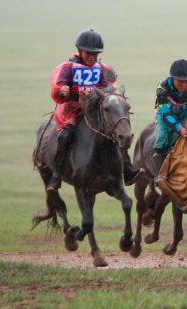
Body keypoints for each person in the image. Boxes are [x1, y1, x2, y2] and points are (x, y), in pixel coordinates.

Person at [47, 28, 138, 191]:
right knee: (65, 135)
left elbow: (112, 88)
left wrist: (110, 97)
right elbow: (57, 88)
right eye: (88, 53)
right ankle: (57, 175)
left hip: (97, 109)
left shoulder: (104, 69)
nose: (92, 57)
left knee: (118, 130)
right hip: (72, 109)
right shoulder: (68, 67)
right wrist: (64, 91)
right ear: (79, 51)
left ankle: (127, 170)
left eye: (95, 54)